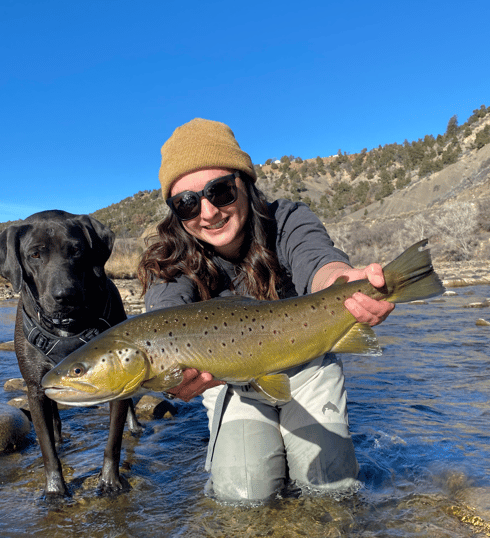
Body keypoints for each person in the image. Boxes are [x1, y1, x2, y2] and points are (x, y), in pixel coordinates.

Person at [137, 118, 394, 502]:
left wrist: (346, 285)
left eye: (220, 191)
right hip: (231, 380)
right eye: (187, 203)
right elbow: (164, 312)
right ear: (176, 212)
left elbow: (320, 263)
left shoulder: (287, 220)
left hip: (307, 362)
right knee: (244, 495)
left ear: (246, 184)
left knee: (329, 489)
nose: (207, 212)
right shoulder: (169, 258)